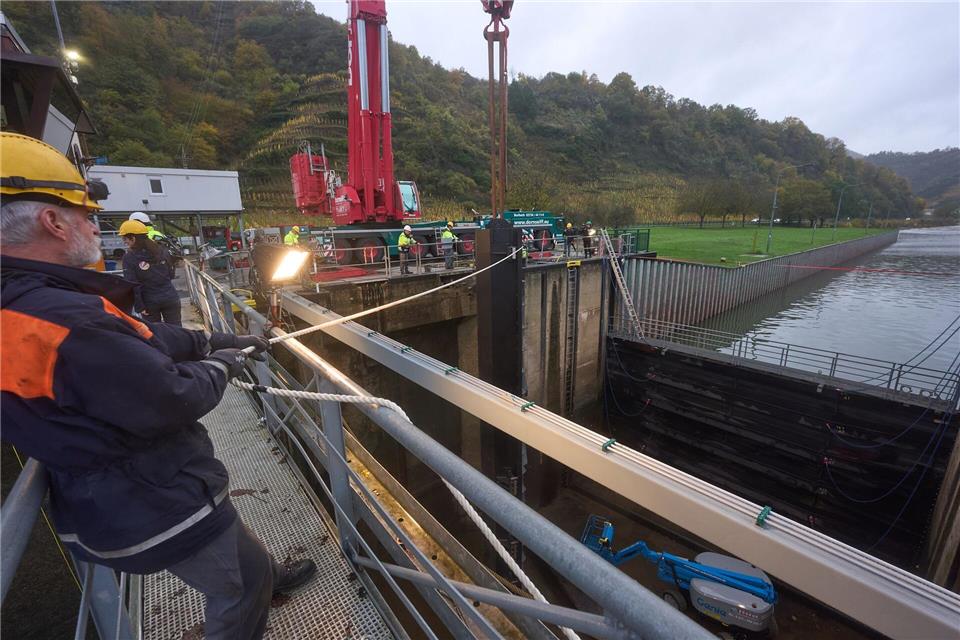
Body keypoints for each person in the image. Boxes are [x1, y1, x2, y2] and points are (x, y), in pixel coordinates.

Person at [0, 132, 316, 640]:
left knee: (241, 554)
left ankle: (264, 573)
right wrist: (225, 362)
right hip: (149, 494)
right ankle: (257, 585)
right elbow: (173, 397)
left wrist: (215, 338)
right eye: (86, 213)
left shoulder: (35, 303)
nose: (95, 225)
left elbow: (140, 336)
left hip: (115, 491)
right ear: (52, 221)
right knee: (241, 586)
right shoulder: (62, 318)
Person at [120, 219, 182, 326]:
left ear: (133, 238)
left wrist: (139, 306)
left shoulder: (129, 257)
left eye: (125, 239)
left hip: (149, 302)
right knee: (177, 330)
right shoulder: (162, 250)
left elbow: (132, 284)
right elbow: (171, 273)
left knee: (154, 332)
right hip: (170, 297)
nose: (124, 242)